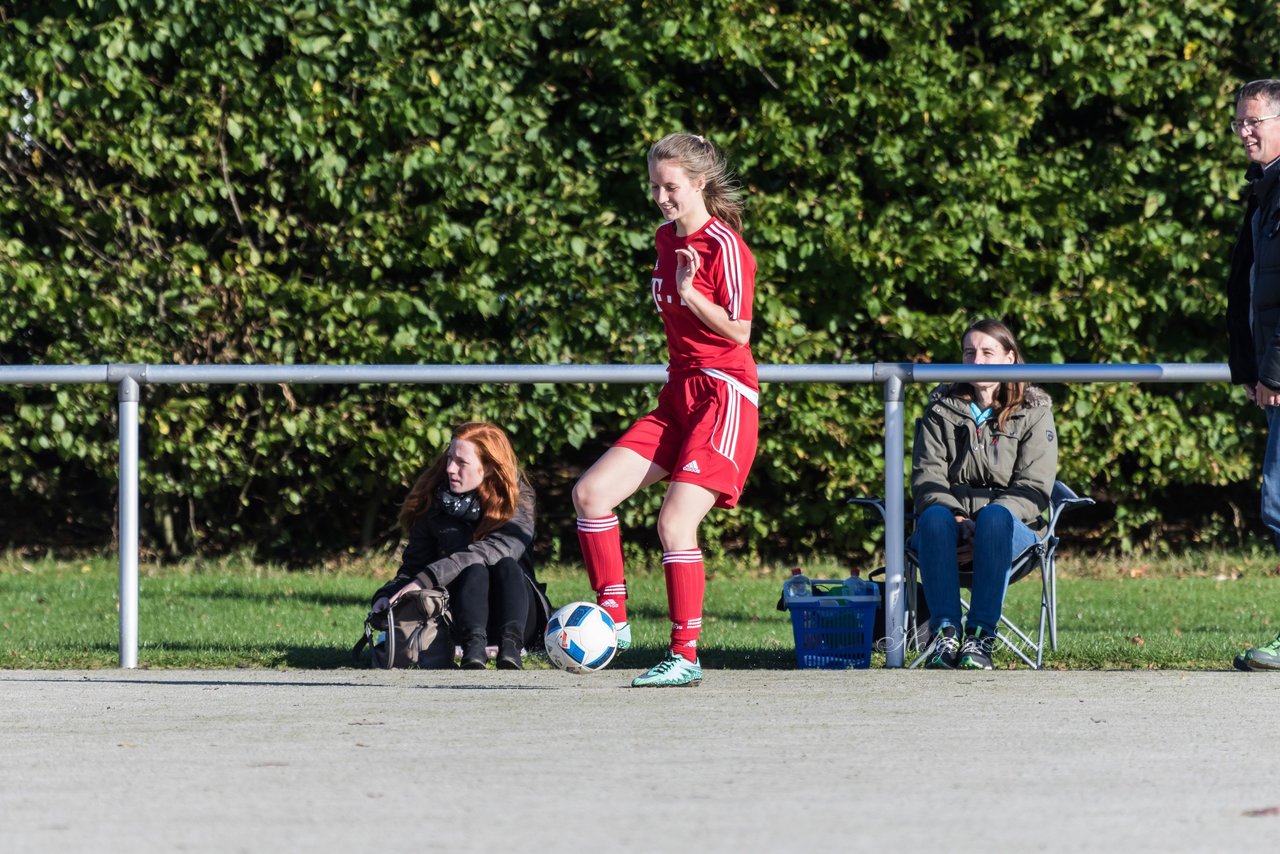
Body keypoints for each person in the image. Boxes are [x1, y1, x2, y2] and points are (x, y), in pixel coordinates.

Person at [572, 133, 759, 688]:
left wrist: (692, 294)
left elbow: (741, 332)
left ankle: (685, 655)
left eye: (670, 186)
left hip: (723, 396)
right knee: (591, 493)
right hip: (678, 394)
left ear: (699, 183)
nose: (660, 197)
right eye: (654, 186)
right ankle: (615, 620)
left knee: (675, 523)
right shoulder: (663, 238)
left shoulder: (725, 245)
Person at [911, 319, 1058, 669]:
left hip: (1012, 533)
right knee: (933, 517)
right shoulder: (940, 410)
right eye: (969, 352)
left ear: (1009, 359)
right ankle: (944, 634)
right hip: (950, 530)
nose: (977, 361)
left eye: (987, 352)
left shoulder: (1034, 413)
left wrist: (987, 527)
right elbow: (927, 478)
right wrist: (959, 519)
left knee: (995, 519)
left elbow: (1034, 487)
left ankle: (980, 637)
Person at [372, 422, 548, 670]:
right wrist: (387, 595)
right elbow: (413, 567)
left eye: (461, 463)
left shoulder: (518, 497)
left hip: (517, 613)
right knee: (473, 571)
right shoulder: (433, 502)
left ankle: (511, 648)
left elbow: (497, 549)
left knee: (504, 564)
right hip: (459, 616)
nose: (450, 469)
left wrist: (426, 579)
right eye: (449, 458)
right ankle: (472, 649)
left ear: (487, 468)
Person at [1226, 79, 1280, 671]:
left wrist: (1274, 370)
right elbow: (1249, 289)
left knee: (1279, 505)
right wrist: (1249, 365)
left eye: (1255, 120)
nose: (1245, 130)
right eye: (1239, 121)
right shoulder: (1265, 191)